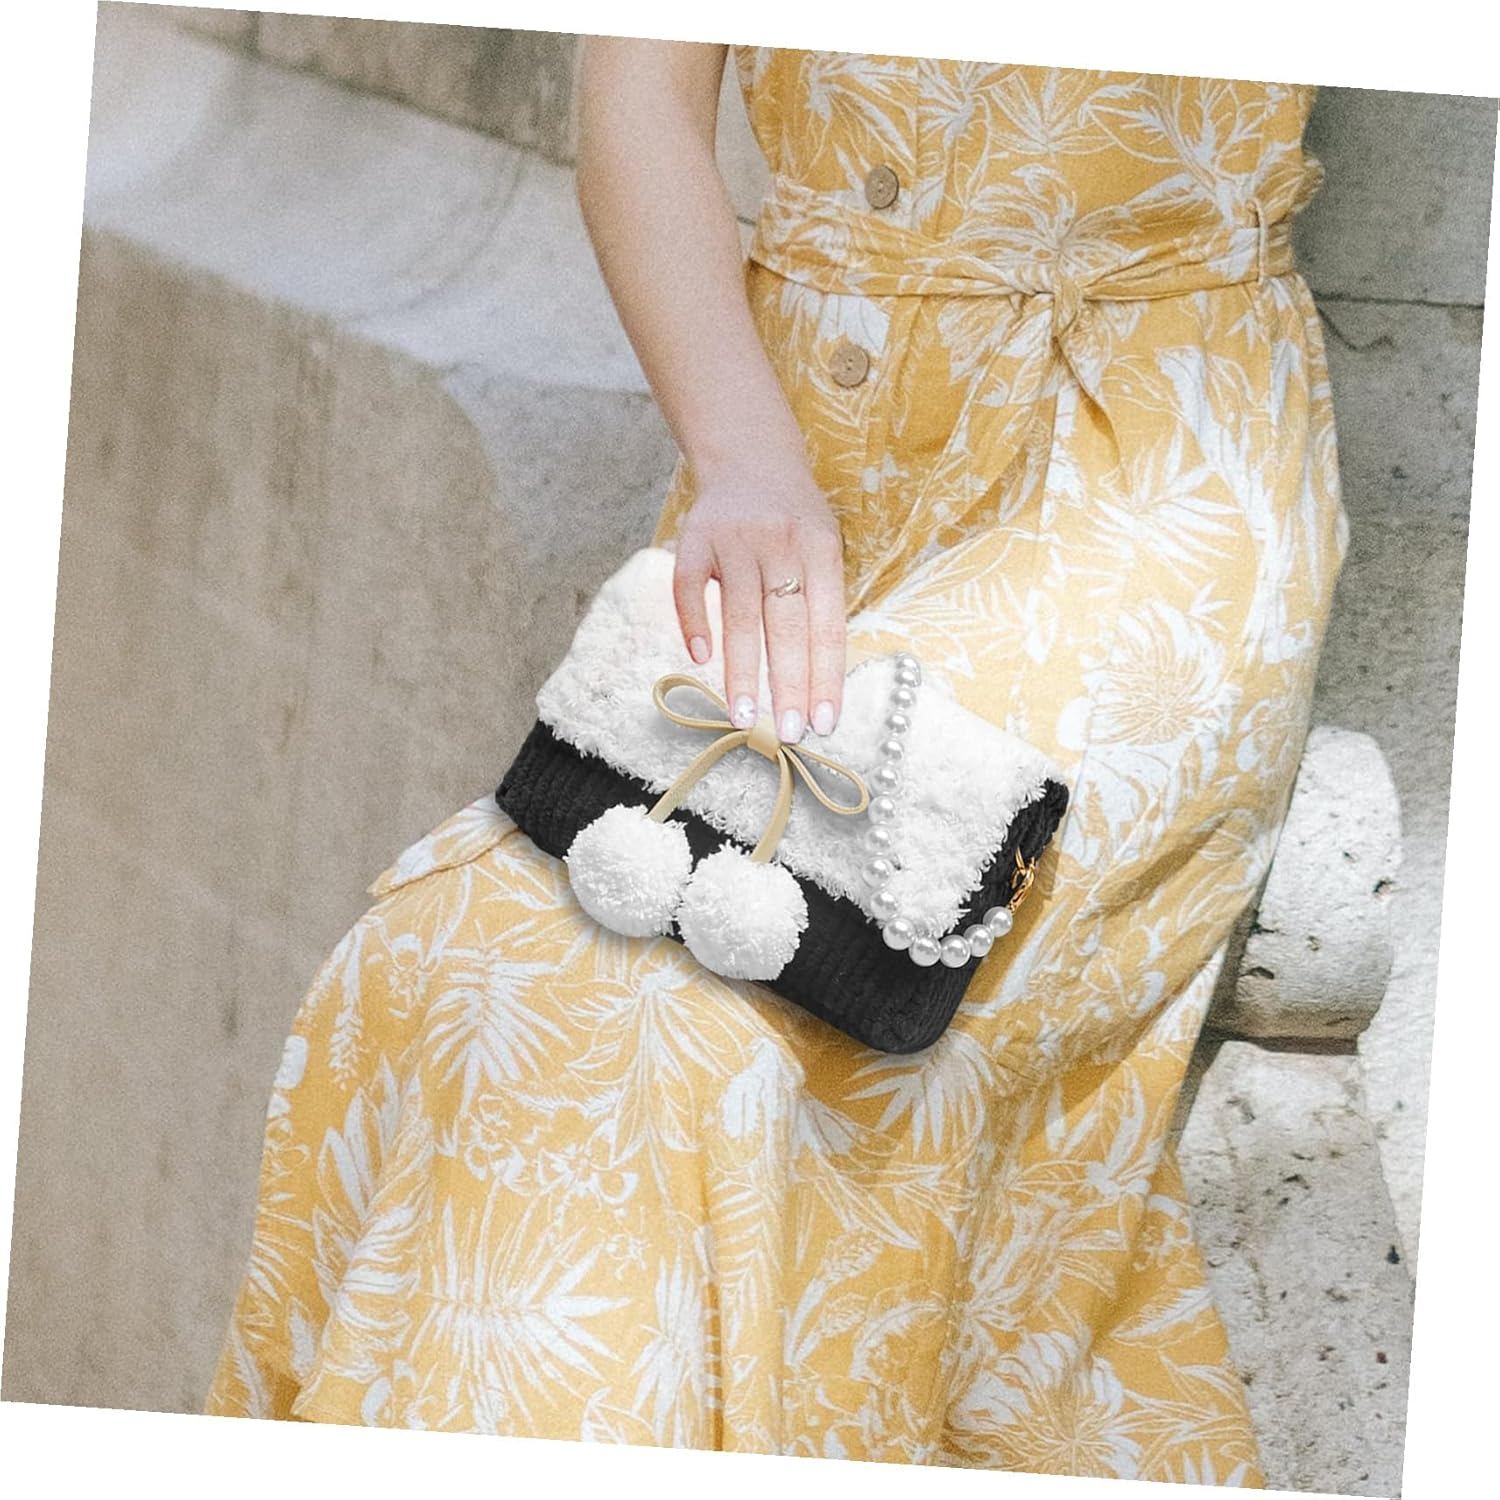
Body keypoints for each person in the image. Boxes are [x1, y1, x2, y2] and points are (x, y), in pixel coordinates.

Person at [205, 41, 1346, 1485]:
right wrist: (745, 457)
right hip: (793, 460)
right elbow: (640, 98)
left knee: (688, 1019)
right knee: (470, 951)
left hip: (1140, 488)